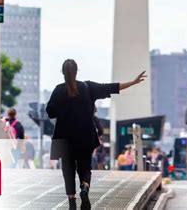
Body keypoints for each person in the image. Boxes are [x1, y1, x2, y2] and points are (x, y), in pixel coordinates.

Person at [46, 59, 146, 210]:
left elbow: (50, 112)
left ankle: (72, 200)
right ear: (77, 71)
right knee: (85, 166)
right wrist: (132, 82)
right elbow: (111, 87)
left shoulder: (59, 90)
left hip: (64, 137)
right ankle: (84, 187)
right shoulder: (87, 87)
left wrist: (64, 109)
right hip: (85, 136)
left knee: (68, 168)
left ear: (62, 72)